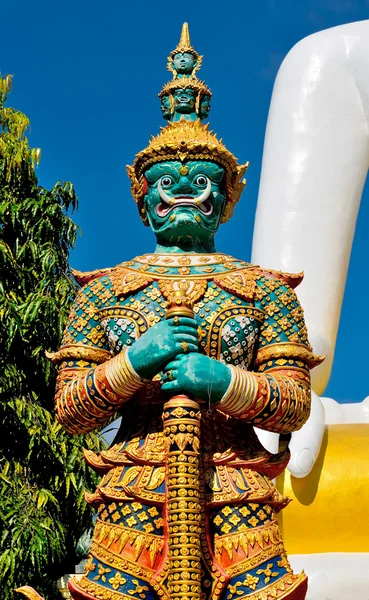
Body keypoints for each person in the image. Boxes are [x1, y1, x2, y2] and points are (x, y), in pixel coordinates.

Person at [50, 25, 322, 600]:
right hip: (133, 492)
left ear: (225, 199)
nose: (181, 193)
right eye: (165, 183)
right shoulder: (105, 289)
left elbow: (293, 406)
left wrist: (221, 379)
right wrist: (137, 360)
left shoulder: (264, 290)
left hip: (238, 493)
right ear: (143, 200)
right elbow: (71, 409)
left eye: (199, 182)